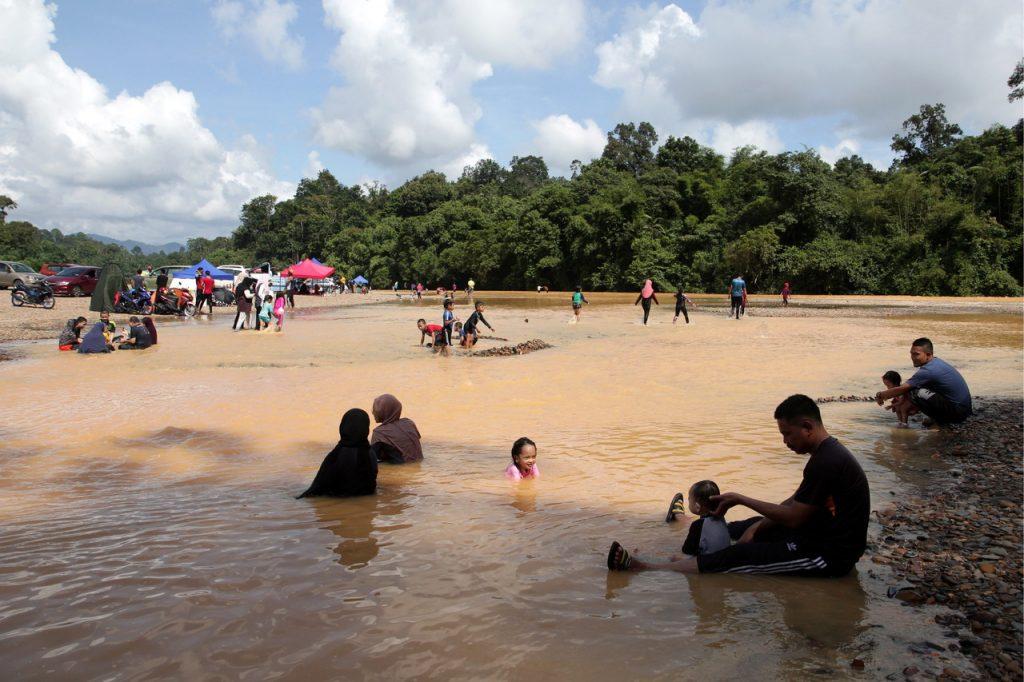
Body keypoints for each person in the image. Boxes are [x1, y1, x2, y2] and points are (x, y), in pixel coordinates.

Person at [607, 394, 870, 577]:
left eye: (787, 434)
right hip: (815, 532)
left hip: (829, 557)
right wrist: (756, 527)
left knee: (737, 557)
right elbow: (793, 503)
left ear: (807, 426)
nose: (785, 442)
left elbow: (793, 518)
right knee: (744, 526)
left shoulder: (826, 461)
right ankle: (683, 521)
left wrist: (741, 500)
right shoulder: (825, 454)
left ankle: (645, 568)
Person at [874, 338, 972, 426]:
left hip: (958, 413)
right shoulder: (936, 362)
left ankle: (940, 420)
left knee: (914, 392)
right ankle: (936, 418)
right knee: (917, 389)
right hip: (962, 409)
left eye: (916, 354)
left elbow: (902, 389)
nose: (912, 357)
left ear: (928, 355)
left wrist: (880, 395)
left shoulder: (929, 370)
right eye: (911, 353)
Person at [297, 409, 378, 498]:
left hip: (338, 500)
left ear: (343, 427)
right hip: (365, 502)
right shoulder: (371, 453)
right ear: (366, 429)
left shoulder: (336, 454)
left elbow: (318, 486)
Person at [669, 481, 732, 557]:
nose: (688, 499)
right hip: (724, 558)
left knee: (673, 558)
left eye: (689, 498)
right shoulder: (721, 517)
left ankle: (678, 516)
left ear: (697, 506)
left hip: (708, 563)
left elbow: (687, 551)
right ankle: (679, 516)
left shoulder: (697, 525)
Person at [370, 394, 423, 464]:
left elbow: (372, 458)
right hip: (419, 465)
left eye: (376, 409)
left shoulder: (379, 432)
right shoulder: (409, 423)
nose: (373, 412)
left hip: (400, 468)